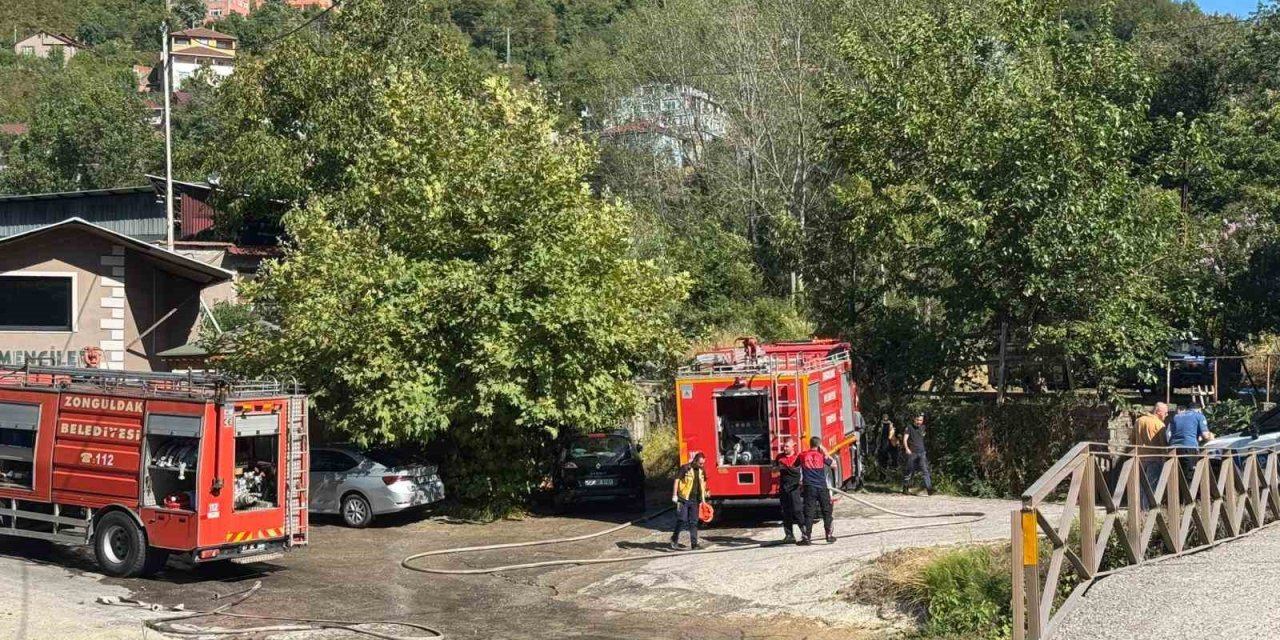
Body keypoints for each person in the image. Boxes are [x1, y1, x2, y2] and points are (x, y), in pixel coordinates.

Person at [798, 437, 836, 545]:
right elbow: (834, 465)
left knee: (809, 512)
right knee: (826, 511)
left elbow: (795, 466)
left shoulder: (803, 455)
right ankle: (829, 536)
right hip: (822, 487)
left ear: (810, 444)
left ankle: (807, 537)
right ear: (819, 445)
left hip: (809, 487)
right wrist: (826, 452)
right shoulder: (821, 456)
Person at [1167, 405, 1214, 489]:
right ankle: (1187, 500)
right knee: (1189, 476)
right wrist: (1212, 436)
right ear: (1199, 410)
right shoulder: (1199, 416)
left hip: (1173, 448)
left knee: (1175, 476)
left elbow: (1170, 434)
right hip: (1189, 447)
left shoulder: (1176, 416)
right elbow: (1205, 436)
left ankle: (1174, 499)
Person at [671, 451, 710, 550]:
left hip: (695, 500)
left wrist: (706, 492)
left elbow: (704, 482)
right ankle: (674, 539)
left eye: (703, 463)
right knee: (682, 519)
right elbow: (677, 480)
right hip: (683, 499)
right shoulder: (685, 468)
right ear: (695, 461)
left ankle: (694, 544)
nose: (702, 465)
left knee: (694, 522)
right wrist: (675, 495)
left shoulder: (702, 470)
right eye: (700, 463)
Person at [1133, 402, 1169, 510]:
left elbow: (1132, 439)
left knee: (1142, 486)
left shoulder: (1139, 421)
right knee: (1152, 486)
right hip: (1154, 458)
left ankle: (1140, 510)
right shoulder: (1159, 425)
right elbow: (1164, 445)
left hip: (1140, 458)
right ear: (1158, 412)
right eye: (1165, 413)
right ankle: (1149, 511)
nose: (1166, 415)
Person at [774, 438, 804, 544]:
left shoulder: (798, 457)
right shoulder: (779, 457)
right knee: (785, 512)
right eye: (784, 446)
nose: (784, 448)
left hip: (794, 487)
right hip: (784, 487)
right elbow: (774, 470)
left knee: (797, 510)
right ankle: (789, 535)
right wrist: (777, 470)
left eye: (787, 446)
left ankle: (804, 533)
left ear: (793, 446)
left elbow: (804, 470)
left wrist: (802, 480)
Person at [902, 414, 934, 496]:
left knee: (925, 470)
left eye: (920, 420)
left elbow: (922, 437)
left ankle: (929, 489)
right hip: (912, 452)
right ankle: (905, 488)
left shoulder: (923, 427)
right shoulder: (909, 427)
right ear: (914, 420)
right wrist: (907, 449)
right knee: (909, 471)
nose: (919, 422)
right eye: (917, 420)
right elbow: (905, 439)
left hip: (922, 452)